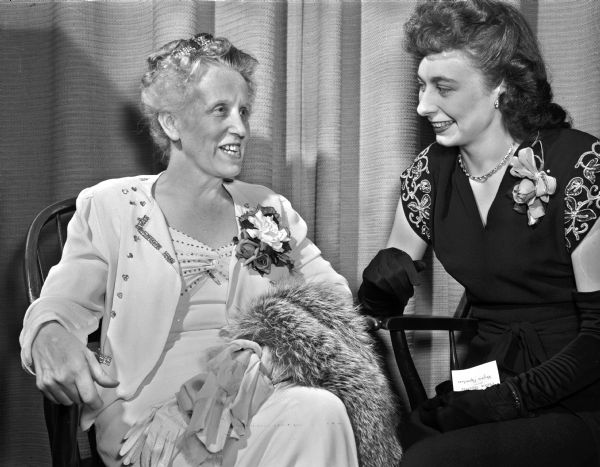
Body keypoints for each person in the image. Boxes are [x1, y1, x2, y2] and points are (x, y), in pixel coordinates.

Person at [20, 33, 401, 467]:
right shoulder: (114, 206)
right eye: (220, 110)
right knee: (317, 414)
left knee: (322, 411)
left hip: (252, 400)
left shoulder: (263, 212)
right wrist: (49, 335)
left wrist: (209, 393)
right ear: (171, 123)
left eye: (243, 112)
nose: (239, 127)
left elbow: (328, 312)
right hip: (147, 427)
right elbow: (60, 305)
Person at [358, 1, 600, 466]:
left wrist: (508, 401)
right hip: (485, 377)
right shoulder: (429, 172)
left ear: (501, 87)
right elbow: (382, 299)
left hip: (580, 390)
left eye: (443, 87)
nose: (423, 105)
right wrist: (374, 289)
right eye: (421, 86)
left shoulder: (582, 167)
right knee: (405, 440)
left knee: (431, 460)